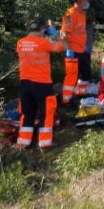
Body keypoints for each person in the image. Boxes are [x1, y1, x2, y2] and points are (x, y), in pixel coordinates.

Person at [16, 18, 65, 149]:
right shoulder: (43, 42)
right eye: (44, 31)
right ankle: (44, 142)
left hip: (25, 84)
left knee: (27, 113)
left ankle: (23, 142)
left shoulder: (20, 43)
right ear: (42, 30)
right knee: (46, 112)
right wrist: (54, 33)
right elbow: (61, 46)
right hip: (42, 84)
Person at [61, 0, 95, 104]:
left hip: (82, 49)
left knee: (86, 73)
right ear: (79, 2)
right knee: (72, 76)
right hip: (72, 50)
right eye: (86, 0)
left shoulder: (83, 14)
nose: (88, 3)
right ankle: (66, 100)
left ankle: (80, 94)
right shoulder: (69, 14)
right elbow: (64, 33)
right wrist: (69, 49)